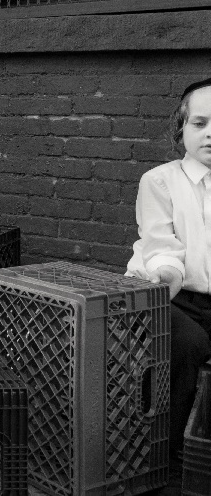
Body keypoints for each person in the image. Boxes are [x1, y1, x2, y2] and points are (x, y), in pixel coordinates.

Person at [126, 78, 211, 471]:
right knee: (188, 344)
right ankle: (164, 450)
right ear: (182, 129)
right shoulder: (160, 180)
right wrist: (165, 276)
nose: (210, 134)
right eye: (200, 123)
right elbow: (161, 246)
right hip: (169, 296)